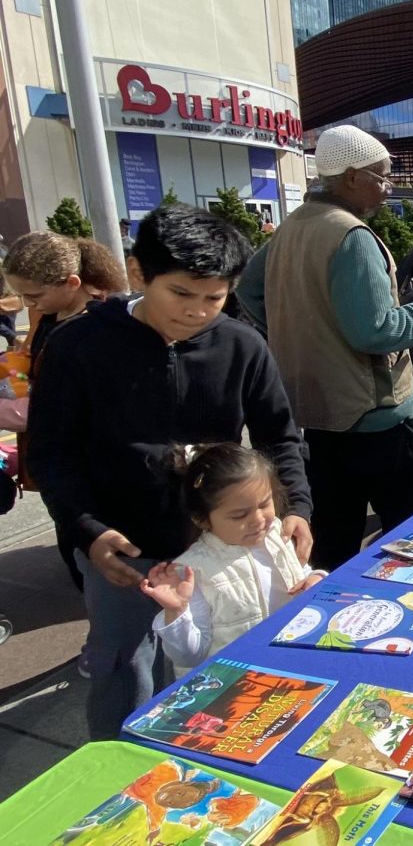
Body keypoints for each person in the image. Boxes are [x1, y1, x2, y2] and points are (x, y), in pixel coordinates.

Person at [26, 204, 313, 740]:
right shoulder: (79, 347)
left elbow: (279, 435)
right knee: (123, 663)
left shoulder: (242, 344)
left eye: (215, 297)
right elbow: (53, 454)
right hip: (125, 547)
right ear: (139, 273)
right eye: (181, 293)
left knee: (224, 659)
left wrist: (295, 506)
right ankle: (114, 765)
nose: (198, 312)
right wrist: (87, 531)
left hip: (223, 543)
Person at [256, 125, 413, 569]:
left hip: (317, 413)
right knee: (403, 540)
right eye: (382, 176)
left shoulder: (292, 225)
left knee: (333, 542)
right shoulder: (351, 235)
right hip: (375, 417)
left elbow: (249, 292)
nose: (387, 187)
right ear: (352, 177)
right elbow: (377, 331)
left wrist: (301, 330)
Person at [2, 232, 126, 591]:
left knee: (91, 555)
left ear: (73, 283)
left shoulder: (103, 326)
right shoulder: (49, 316)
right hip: (59, 458)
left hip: (91, 462)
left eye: (35, 295)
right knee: (74, 544)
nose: (29, 303)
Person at [142, 444, 327, 677]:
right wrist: (176, 612)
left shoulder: (277, 534)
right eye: (240, 515)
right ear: (202, 519)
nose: (258, 519)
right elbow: (189, 656)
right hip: (230, 686)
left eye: (264, 504)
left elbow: (301, 574)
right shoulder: (192, 572)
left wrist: (316, 579)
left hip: (287, 668)